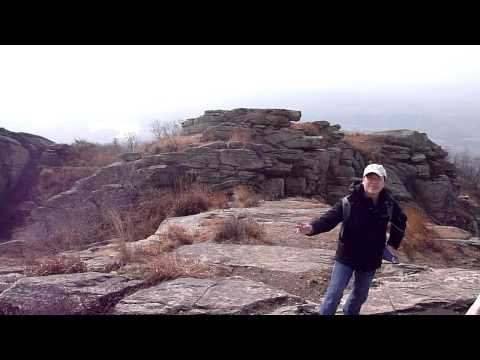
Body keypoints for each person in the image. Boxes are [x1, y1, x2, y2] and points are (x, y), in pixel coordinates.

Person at [296, 163, 407, 315]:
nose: (373, 182)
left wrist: (393, 244)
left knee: (360, 295)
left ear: (383, 181)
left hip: (371, 257)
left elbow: (400, 221)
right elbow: (329, 219)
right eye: (370, 178)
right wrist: (311, 228)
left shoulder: (389, 204)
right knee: (334, 294)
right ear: (363, 180)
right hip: (346, 256)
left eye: (377, 179)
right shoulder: (349, 201)